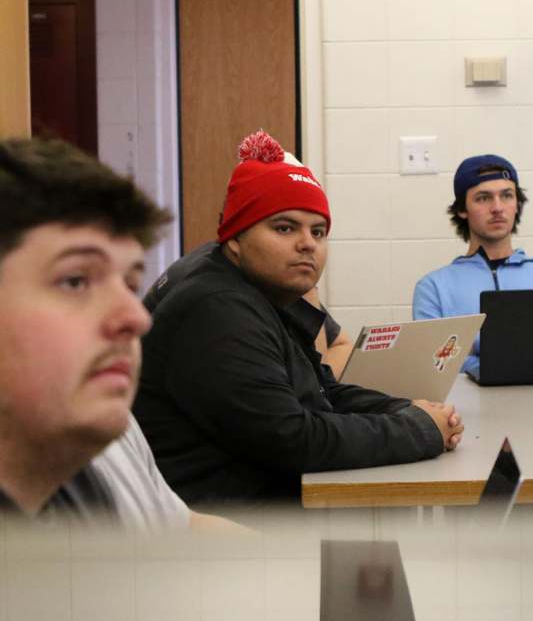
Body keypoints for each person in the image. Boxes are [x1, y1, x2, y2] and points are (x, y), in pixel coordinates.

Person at [134, 130, 463, 505]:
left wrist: (406, 410)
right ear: (235, 239)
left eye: (318, 232)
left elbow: (321, 392)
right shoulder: (215, 307)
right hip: (226, 526)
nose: (308, 243)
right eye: (284, 228)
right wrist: (418, 430)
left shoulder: (266, 292)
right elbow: (293, 439)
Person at [0, 137, 226, 530]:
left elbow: (182, 528)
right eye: (75, 281)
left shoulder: (86, 455)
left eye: (130, 284)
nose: (137, 318)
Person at [413, 153, 533, 375]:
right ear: (462, 209)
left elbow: (453, 357)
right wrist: (489, 367)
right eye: (483, 198)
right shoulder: (433, 287)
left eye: (507, 195)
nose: (497, 207)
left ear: (517, 204)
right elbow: (436, 363)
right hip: (466, 398)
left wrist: (470, 351)